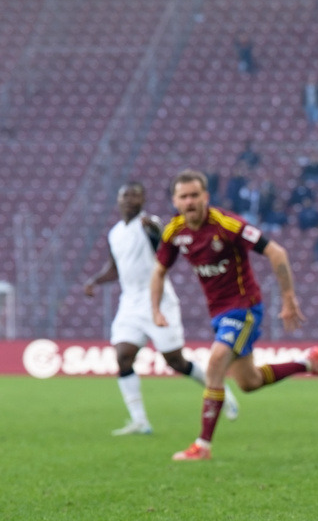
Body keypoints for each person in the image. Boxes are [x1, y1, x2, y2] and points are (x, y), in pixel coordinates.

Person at [150, 170, 318, 461]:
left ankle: (202, 446)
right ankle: (307, 362)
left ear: (206, 197)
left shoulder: (227, 224)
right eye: (183, 196)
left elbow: (277, 252)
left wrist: (288, 299)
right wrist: (155, 309)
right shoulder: (174, 232)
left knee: (214, 364)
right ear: (175, 200)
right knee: (248, 382)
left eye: (195, 195)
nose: (190, 201)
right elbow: (159, 270)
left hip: (244, 306)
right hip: (218, 312)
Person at [84, 182, 239, 436]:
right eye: (125, 195)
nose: (130, 200)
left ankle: (221, 392)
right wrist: (95, 281)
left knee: (175, 361)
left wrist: (157, 231)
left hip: (158, 300)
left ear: (143, 201)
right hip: (130, 303)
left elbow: (164, 243)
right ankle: (140, 421)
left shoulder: (149, 224)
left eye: (135, 196)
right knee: (123, 357)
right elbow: (115, 267)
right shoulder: (115, 233)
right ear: (119, 200)